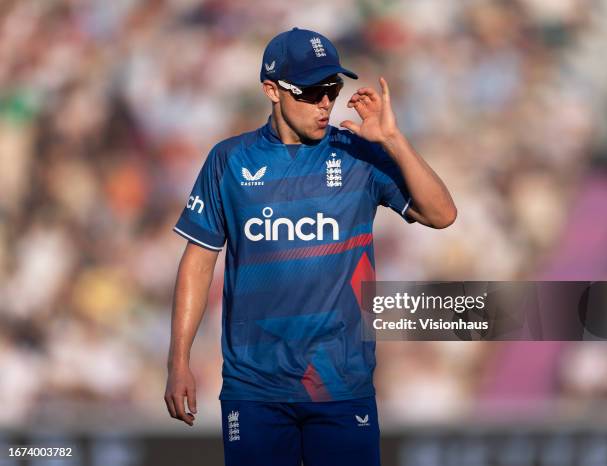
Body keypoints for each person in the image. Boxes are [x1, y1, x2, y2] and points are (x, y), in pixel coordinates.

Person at [164, 27, 456, 466]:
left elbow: (442, 214)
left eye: (333, 89)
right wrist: (178, 359)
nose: (326, 103)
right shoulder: (229, 160)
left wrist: (393, 140)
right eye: (313, 90)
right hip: (254, 387)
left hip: (340, 385)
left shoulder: (360, 155)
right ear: (272, 90)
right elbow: (199, 260)